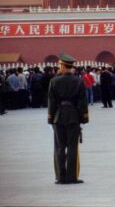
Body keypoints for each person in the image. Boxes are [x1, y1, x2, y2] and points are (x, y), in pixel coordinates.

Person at [47, 54, 88, 184]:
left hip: (58, 117)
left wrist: (50, 118)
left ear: (64, 66)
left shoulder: (54, 81)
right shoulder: (79, 81)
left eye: (60, 65)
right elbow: (82, 102)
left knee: (59, 147)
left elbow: (51, 102)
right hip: (74, 117)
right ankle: (71, 177)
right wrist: (84, 118)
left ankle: (60, 177)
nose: (59, 68)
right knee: (72, 147)